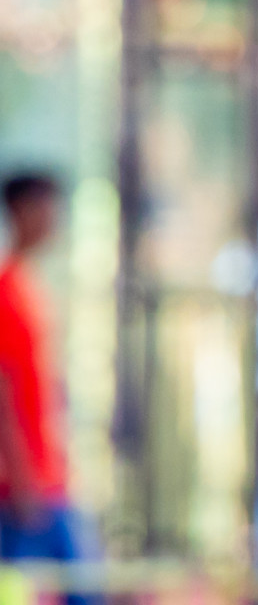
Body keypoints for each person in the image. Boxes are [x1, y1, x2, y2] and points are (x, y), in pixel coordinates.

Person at [0, 171, 98, 605]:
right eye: (45, 207)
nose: (54, 219)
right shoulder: (5, 291)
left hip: (47, 476)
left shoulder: (31, 288)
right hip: (22, 485)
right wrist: (21, 476)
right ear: (19, 211)